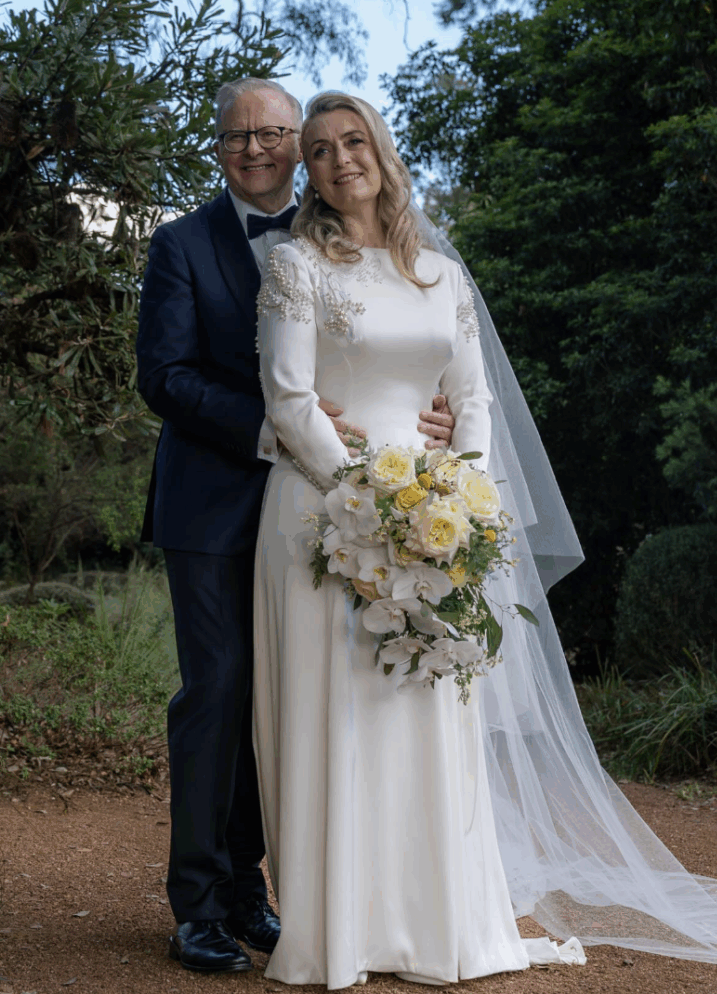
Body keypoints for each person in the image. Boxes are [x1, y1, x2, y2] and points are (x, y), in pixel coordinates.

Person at [252, 91, 717, 988]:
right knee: (336, 716)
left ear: (382, 152)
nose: (339, 158)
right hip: (321, 519)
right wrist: (366, 503)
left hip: (432, 520)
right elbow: (288, 399)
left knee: (424, 710)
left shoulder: (440, 274)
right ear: (305, 173)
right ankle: (336, 930)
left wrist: (455, 499)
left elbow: (472, 401)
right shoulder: (294, 267)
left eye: (354, 141)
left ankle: (433, 921)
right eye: (318, 150)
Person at [136, 77, 457, 976]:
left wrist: (427, 417)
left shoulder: (338, 242)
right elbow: (161, 376)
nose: (257, 149)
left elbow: (395, 346)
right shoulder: (179, 246)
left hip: (329, 511)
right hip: (211, 507)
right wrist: (271, 424)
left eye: (274, 133)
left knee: (303, 699)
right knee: (221, 695)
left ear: (298, 146)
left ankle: (264, 895)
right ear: (218, 149)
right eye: (239, 137)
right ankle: (200, 904)